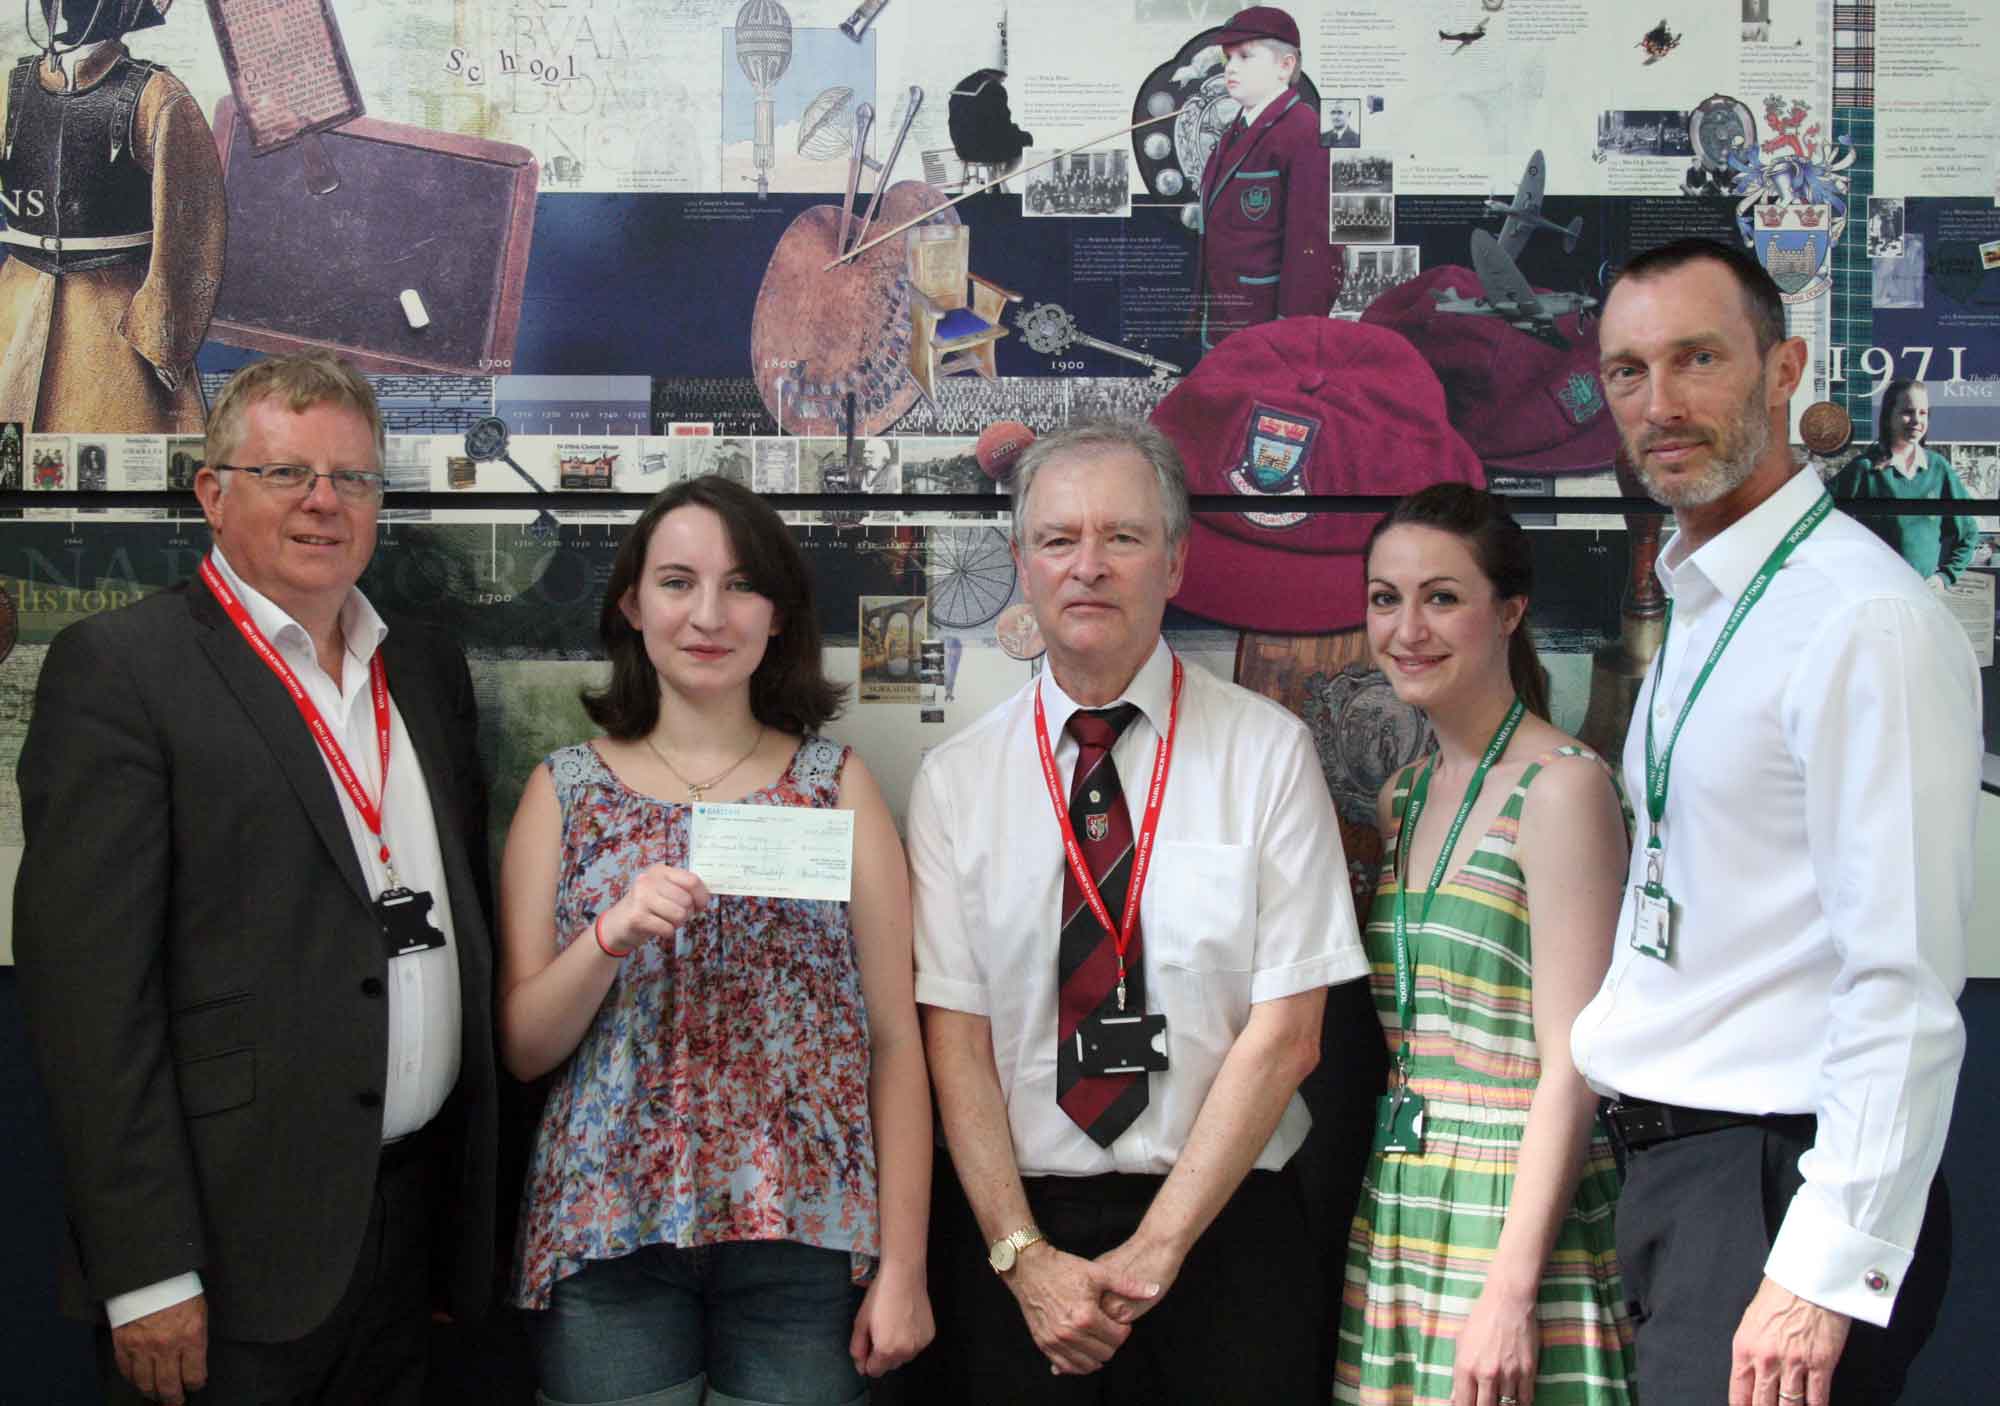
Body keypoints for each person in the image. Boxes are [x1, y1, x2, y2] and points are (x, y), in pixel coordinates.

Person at [13, 351, 498, 1405]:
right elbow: (90, 1003)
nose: (325, 502)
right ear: (211, 492)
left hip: (408, 1234)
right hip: (231, 1254)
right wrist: (143, 1269)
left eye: (353, 478)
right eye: (288, 474)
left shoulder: (419, 666)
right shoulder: (123, 671)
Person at [1577, 237, 1979, 1405]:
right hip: (1681, 1174)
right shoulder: (1709, 597)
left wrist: (1814, 1274)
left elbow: (1900, 982)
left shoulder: (1859, 621)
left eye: (1697, 358)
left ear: (1781, 368)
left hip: (1776, 1186)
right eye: (1625, 371)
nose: (1659, 404)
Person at [911, 419, 1366, 1404]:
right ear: (1021, 565)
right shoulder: (956, 782)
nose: (1087, 565)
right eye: (1057, 538)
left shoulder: (1268, 754)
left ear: (1174, 561)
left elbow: (1286, 1035)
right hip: (1017, 1246)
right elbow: (954, 1040)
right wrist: (1022, 1257)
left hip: (1223, 1240)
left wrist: (1156, 1250)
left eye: (1120, 536)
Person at [499, 474, 933, 1406]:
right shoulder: (565, 790)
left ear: (778, 614)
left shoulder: (836, 785)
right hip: (609, 1234)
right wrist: (608, 936)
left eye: (740, 585)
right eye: (677, 581)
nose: (708, 614)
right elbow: (526, 1047)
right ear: (631, 604)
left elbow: (896, 1039)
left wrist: (906, 1267)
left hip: (804, 1238)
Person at [1335, 484, 1635, 1405]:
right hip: (1402, 1199)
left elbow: (1572, 1068)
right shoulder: (1406, 797)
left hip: (1518, 1211)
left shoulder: (1564, 788)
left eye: (1442, 597)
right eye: (1386, 598)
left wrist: (1509, 1293)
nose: (1407, 629)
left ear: (1509, 612)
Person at [0, 1, 225, 433]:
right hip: (15, 307)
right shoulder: (14, 86)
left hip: (112, 321)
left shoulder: (157, 97)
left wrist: (162, 337)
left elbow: (194, 230)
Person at [1194, 7, 1334, 351]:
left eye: (1245, 55)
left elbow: (1312, 249)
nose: (1230, 67)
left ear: (1284, 66)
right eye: (1228, 57)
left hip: (1266, 328)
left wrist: (1293, 335)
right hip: (1225, 317)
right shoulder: (1237, 127)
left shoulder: (1304, 131)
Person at [1829, 378, 1979, 591]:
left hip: (1923, 600)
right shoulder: (1863, 469)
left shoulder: (1938, 469)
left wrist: (1944, 577)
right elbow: (1822, 522)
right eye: (1907, 411)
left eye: (1923, 413)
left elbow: (1969, 533)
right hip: (1876, 597)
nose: (1917, 420)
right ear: (1889, 416)